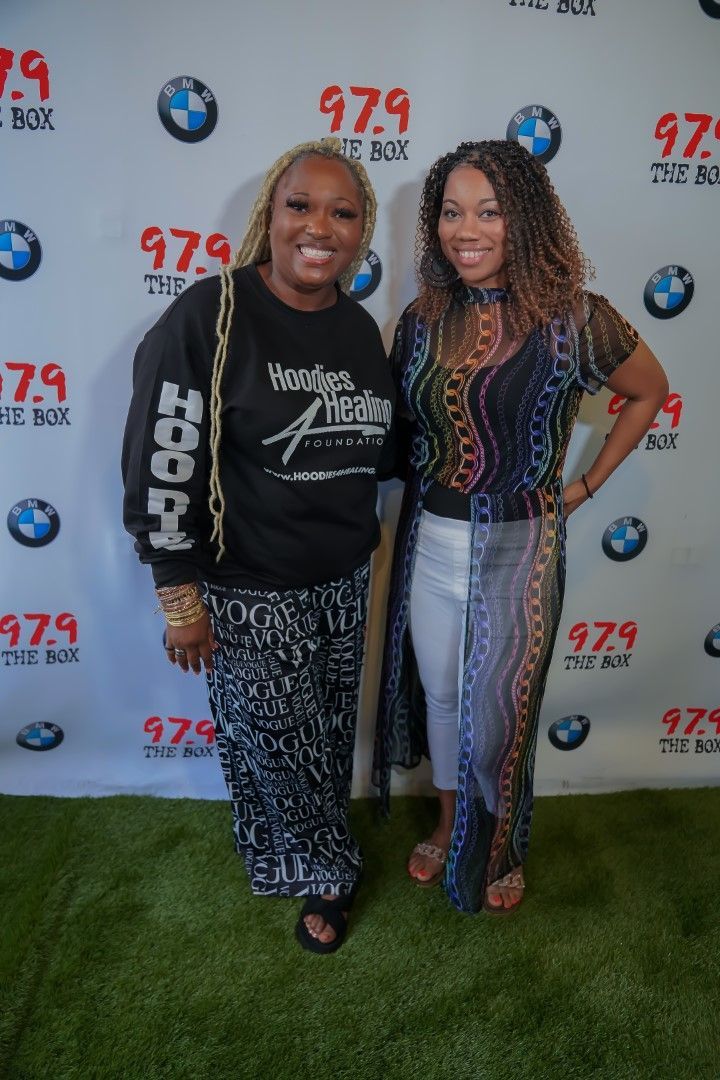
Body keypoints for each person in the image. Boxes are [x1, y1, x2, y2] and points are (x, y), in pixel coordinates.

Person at [373, 140, 668, 915]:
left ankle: (500, 846)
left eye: (490, 211)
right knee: (441, 694)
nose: (465, 230)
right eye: (451, 212)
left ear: (526, 220)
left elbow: (650, 392)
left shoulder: (576, 319)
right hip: (430, 543)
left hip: (523, 546)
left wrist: (585, 487)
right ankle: (448, 824)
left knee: (501, 714)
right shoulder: (421, 318)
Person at [122, 138, 394, 953]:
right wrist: (179, 596)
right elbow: (160, 464)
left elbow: (375, 452)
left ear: (362, 231)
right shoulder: (210, 314)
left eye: (342, 212)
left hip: (345, 579)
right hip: (249, 588)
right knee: (278, 749)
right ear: (268, 217)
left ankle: (301, 854)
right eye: (300, 206)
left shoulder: (356, 328)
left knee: (320, 742)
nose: (320, 226)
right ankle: (331, 873)